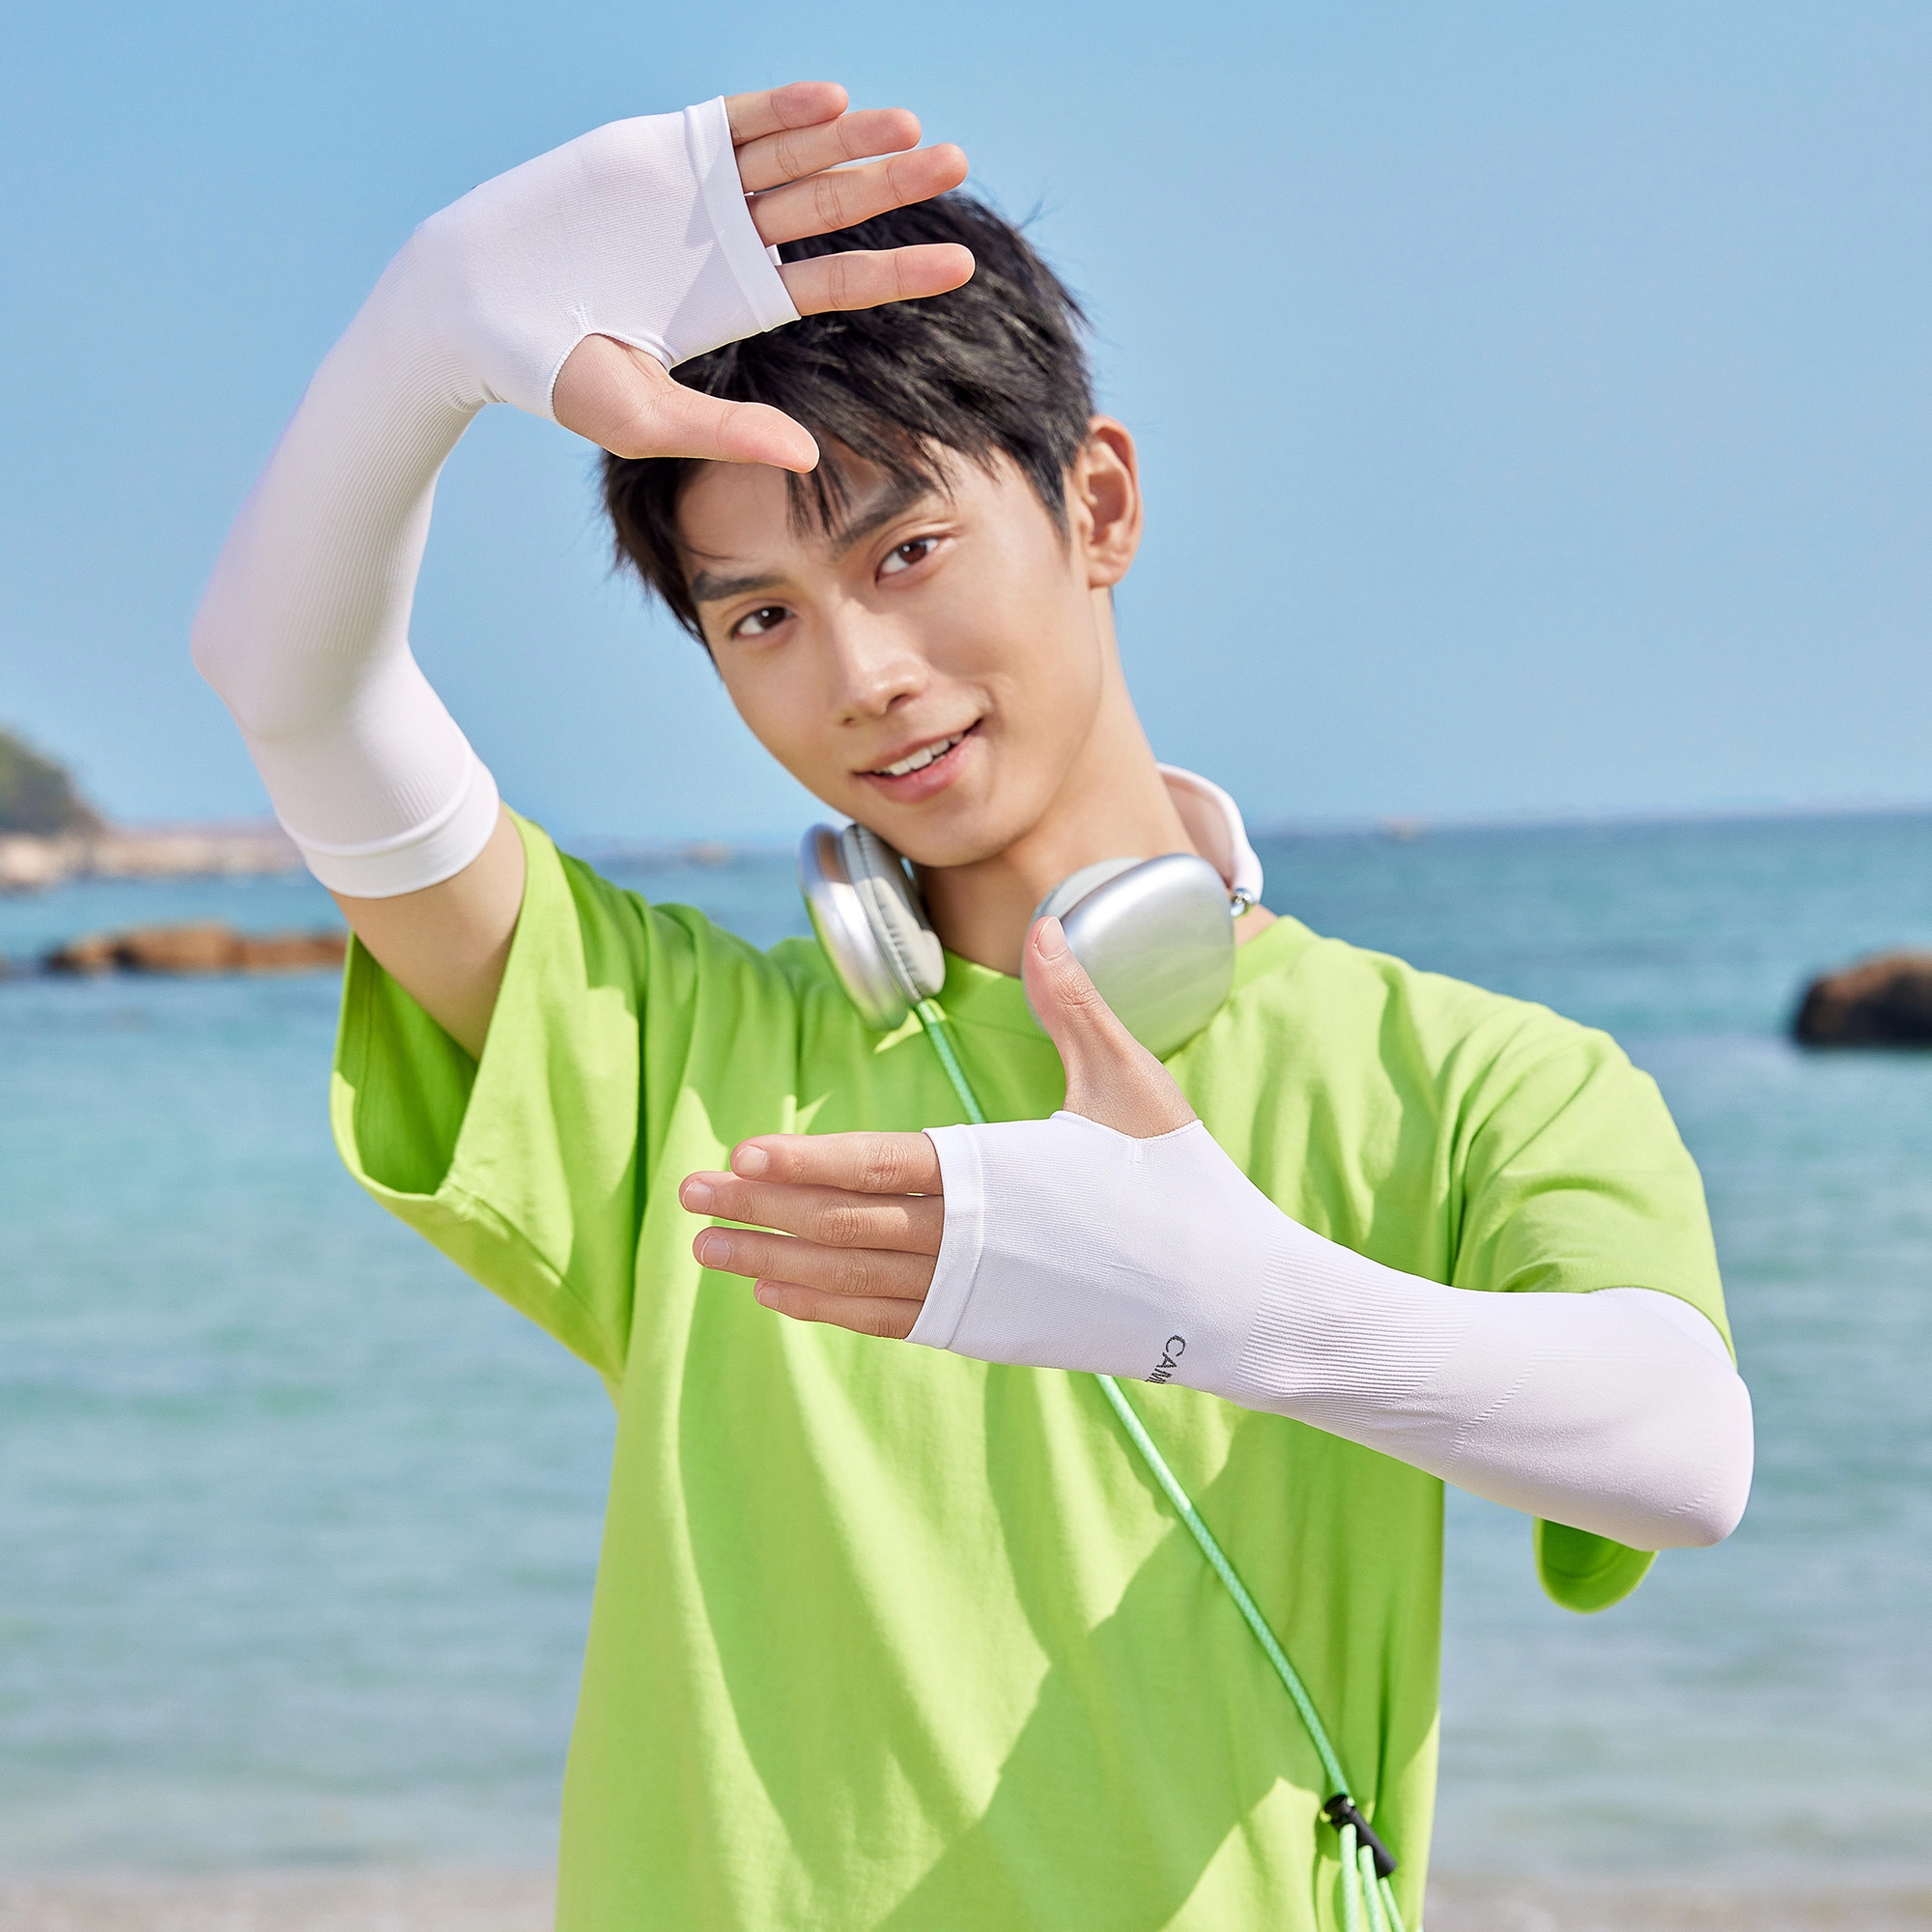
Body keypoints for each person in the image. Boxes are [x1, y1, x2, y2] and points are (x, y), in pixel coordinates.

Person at [193, 79, 1753, 1932]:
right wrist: (430, 322)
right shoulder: (679, 1056)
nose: (861, 673)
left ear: (1097, 503)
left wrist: (1243, 1309)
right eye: (759, 617)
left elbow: (1682, 1454)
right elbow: (292, 686)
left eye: (905, 552)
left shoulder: (1475, 1077)